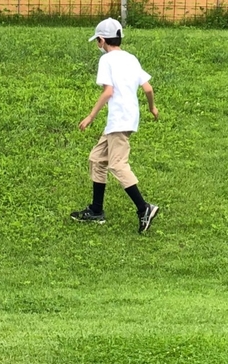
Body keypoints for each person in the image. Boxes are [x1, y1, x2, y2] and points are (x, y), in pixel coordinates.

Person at [70, 18, 160, 234]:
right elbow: (147, 88)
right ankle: (96, 211)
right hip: (126, 120)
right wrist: (152, 108)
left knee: (118, 165)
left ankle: (144, 208)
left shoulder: (107, 61)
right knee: (97, 159)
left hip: (119, 120)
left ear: (102, 40)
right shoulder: (131, 58)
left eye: (97, 41)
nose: (97, 45)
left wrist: (91, 116)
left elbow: (108, 91)